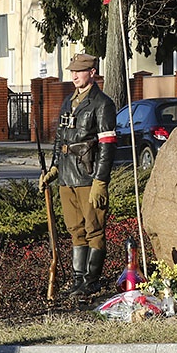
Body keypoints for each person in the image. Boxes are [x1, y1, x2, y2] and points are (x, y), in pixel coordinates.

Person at [38, 53, 118, 297]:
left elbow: (108, 144)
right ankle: (77, 280)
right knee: (75, 229)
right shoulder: (67, 102)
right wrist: (54, 168)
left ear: (92, 72)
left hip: (88, 174)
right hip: (67, 176)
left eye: (79, 71)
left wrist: (100, 180)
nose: (74, 75)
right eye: (72, 71)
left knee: (94, 228)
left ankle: (91, 281)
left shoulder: (102, 104)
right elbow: (60, 139)